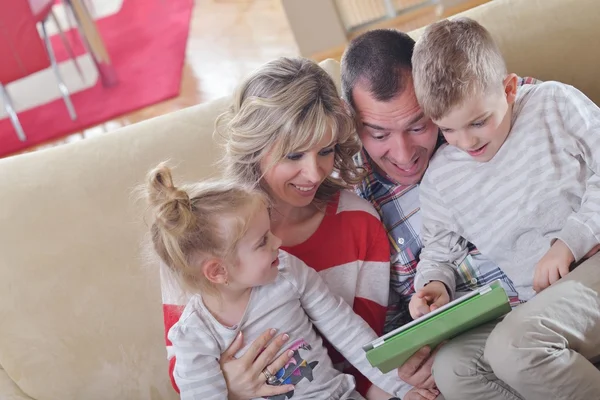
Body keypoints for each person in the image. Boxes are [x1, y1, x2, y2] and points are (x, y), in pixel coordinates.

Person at [160, 57, 436, 400]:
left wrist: (402, 389)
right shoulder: (197, 232)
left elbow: (359, 347)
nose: (315, 173)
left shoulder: (359, 224)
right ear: (255, 148)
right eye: (293, 156)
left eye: (326, 151)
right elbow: (184, 372)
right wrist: (232, 389)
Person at [407, 17, 600, 399]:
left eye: (478, 122)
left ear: (509, 88)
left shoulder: (554, 104)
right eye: (448, 130)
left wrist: (569, 241)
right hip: (539, 306)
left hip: (592, 264)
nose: (465, 141)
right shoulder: (442, 178)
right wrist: (433, 284)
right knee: (454, 368)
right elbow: (440, 250)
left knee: (513, 346)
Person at [339, 29, 535, 392]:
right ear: (352, 124)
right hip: (474, 360)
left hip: (552, 301)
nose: (403, 154)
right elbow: (381, 330)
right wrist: (409, 364)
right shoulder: (352, 203)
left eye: (419, 125)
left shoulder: (480, 116)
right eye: (379, 134)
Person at [145, 163, 423, 399]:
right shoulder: (194, 335)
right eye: (262, 241)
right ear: (218, 272)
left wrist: (401, 389)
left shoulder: (287, 271)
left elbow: (349, 333)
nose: (278, 242)